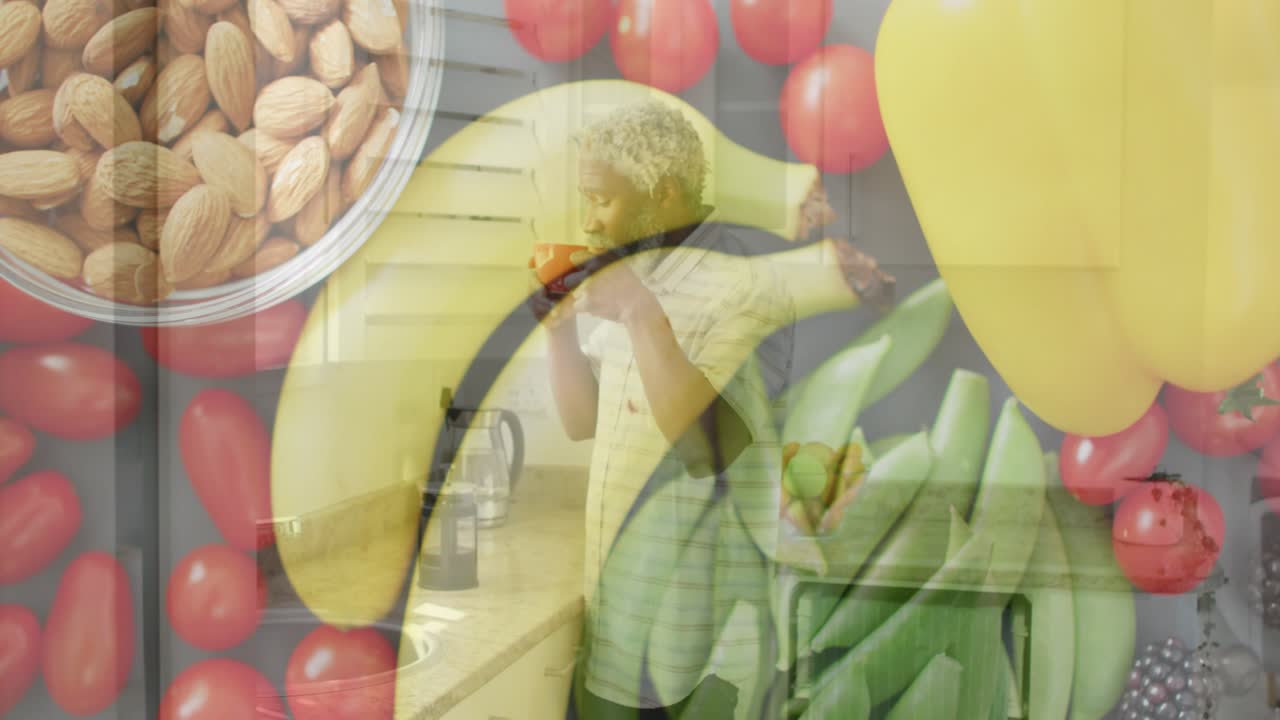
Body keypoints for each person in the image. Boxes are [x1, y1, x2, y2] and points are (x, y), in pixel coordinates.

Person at [528, 100, 797, 719]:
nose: (590, 224)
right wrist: (559, 331)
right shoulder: (641, 271)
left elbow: (713, 449)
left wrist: (639, 311)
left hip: (700, 647)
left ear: (665, 193)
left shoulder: (746, 283)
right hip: (617, 619)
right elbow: (583, 421)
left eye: (601, 201)